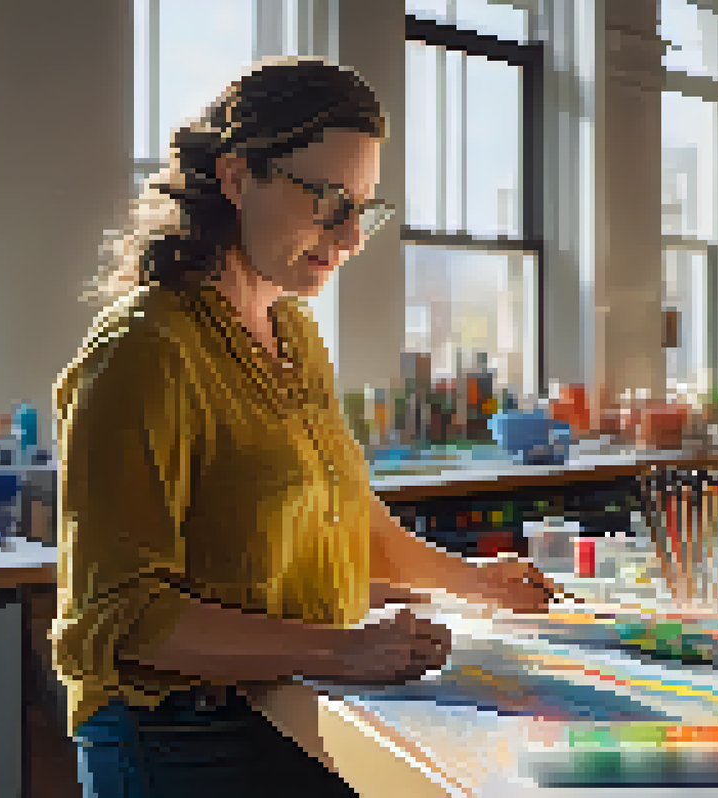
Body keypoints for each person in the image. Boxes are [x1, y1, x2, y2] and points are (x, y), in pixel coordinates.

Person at [53, 56, 557, 798]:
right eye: (328, 200)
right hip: (178, 741)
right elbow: (121, 617)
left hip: (290, 709)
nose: (350, 237)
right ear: (234, 177)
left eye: (362, 208)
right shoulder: (146, 348)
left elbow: (342, 513)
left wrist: (472, 581)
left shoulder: (292, 329)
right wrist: (345, 651)